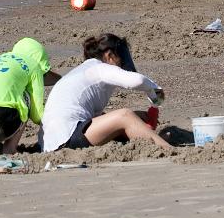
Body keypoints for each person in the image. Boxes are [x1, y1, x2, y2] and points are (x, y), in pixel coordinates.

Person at [41, 33, 171, 152]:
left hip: (50, 141)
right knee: (125, 115)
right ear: (109, 56)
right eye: (121, 57)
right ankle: (166, 148)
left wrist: (138, 118)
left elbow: (95, 118)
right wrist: (155, 90)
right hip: (66, 137)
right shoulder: (99, 68)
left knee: (130, 118)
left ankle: (150, 138)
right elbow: (137, 81)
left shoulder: (82, 71)